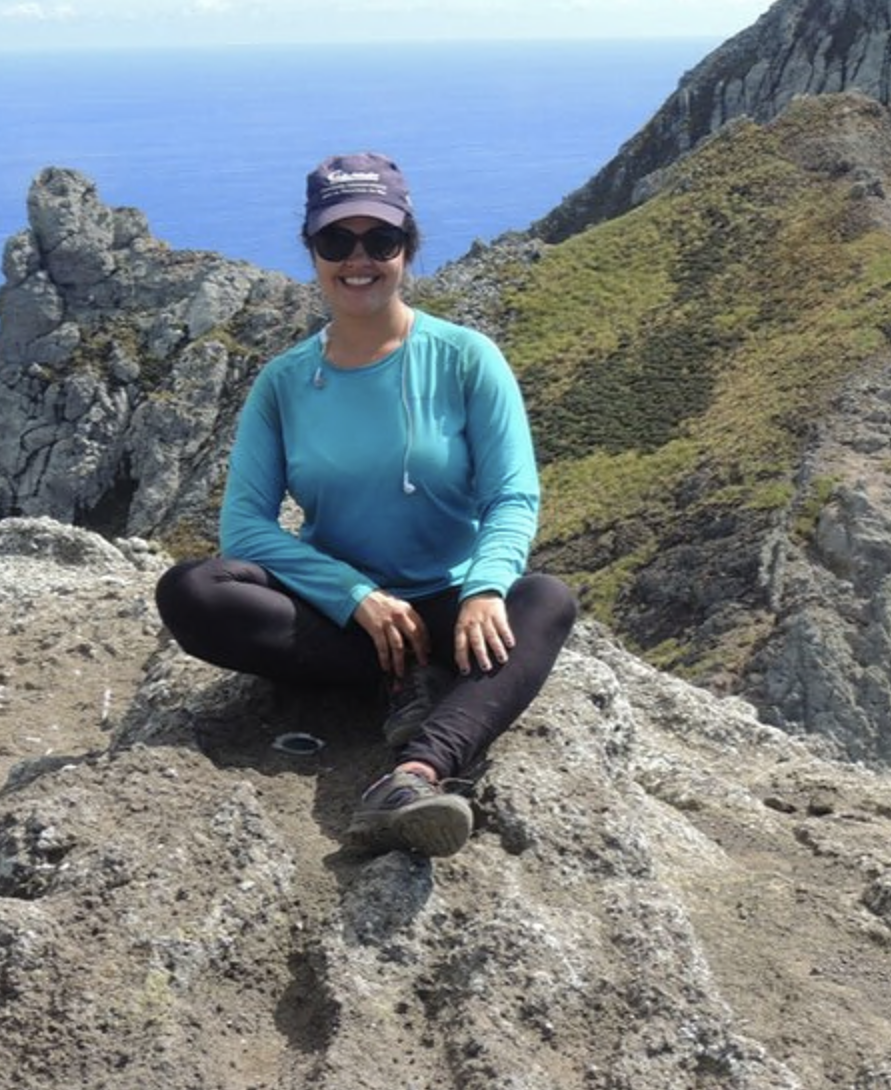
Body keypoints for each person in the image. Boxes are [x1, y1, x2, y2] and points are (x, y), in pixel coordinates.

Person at [155, 151, 577, 858]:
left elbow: (512, 494)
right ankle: (406, 678)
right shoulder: (284, 383)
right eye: (336, 241)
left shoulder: (467, 357)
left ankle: (415, 773)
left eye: (380, 241)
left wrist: (484, 588)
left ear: (407, 248)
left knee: (547, 600)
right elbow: (246, 528)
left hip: (449, 604)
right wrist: (355, 596)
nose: (359, 259)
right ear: (312, 251)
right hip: (341, 616)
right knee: (192, 589)